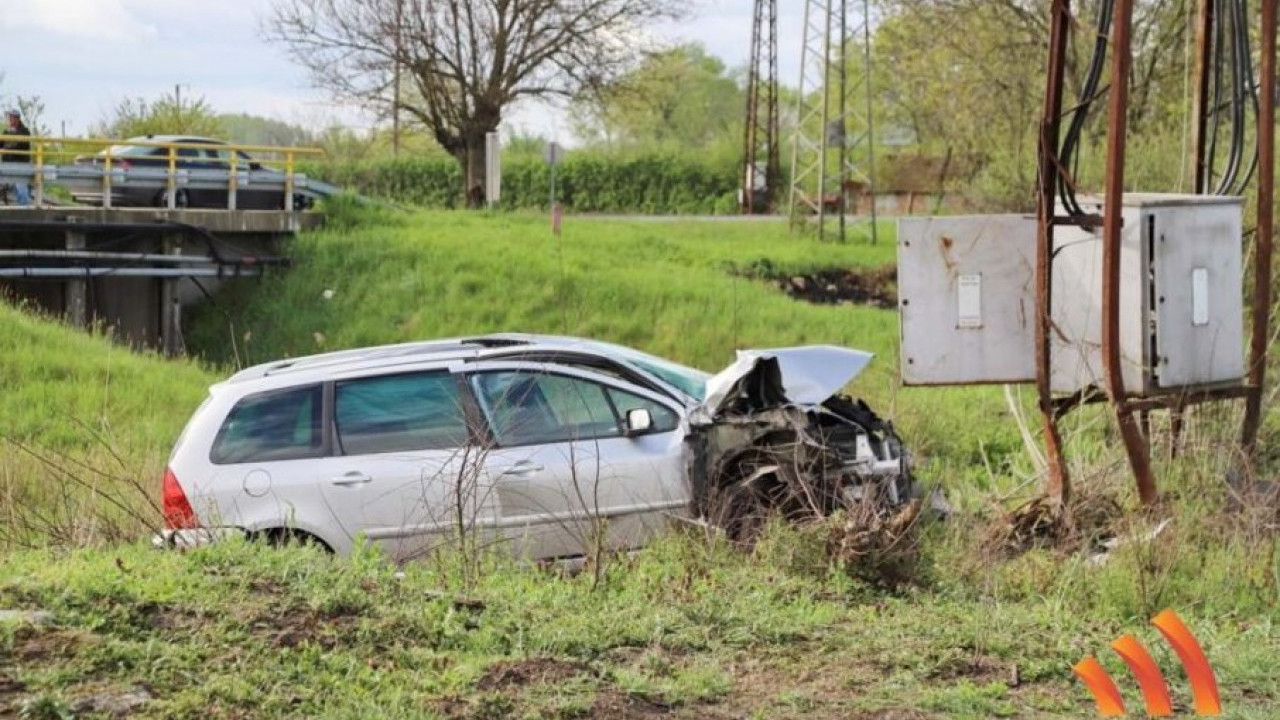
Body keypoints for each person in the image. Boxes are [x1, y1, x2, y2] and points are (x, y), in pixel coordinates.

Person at [2, 110, 32, 206]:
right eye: (9, 117)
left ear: (17, 119)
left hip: (20, 165)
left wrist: (6, 148)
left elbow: (21, 145)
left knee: (21, 187)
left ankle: (25, 211)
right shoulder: (6, 132)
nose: (9, 119)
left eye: (11, 117)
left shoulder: (24, 131)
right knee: (12, 187)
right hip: (8, 165)